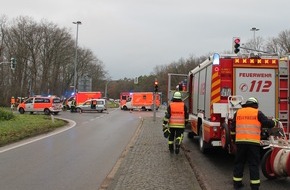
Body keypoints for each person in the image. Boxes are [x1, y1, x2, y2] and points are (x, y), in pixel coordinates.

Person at [231, 97, 277, 190]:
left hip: (240, 143)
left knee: (239, 163)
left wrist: (233, 139)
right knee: (253, 164)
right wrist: (275, 122)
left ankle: (237, 184)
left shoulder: (238, 113)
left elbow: (232, 128)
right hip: (253, 144)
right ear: (255, 104)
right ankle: (255, 186)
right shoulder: (257, 113)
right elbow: (267, 123)